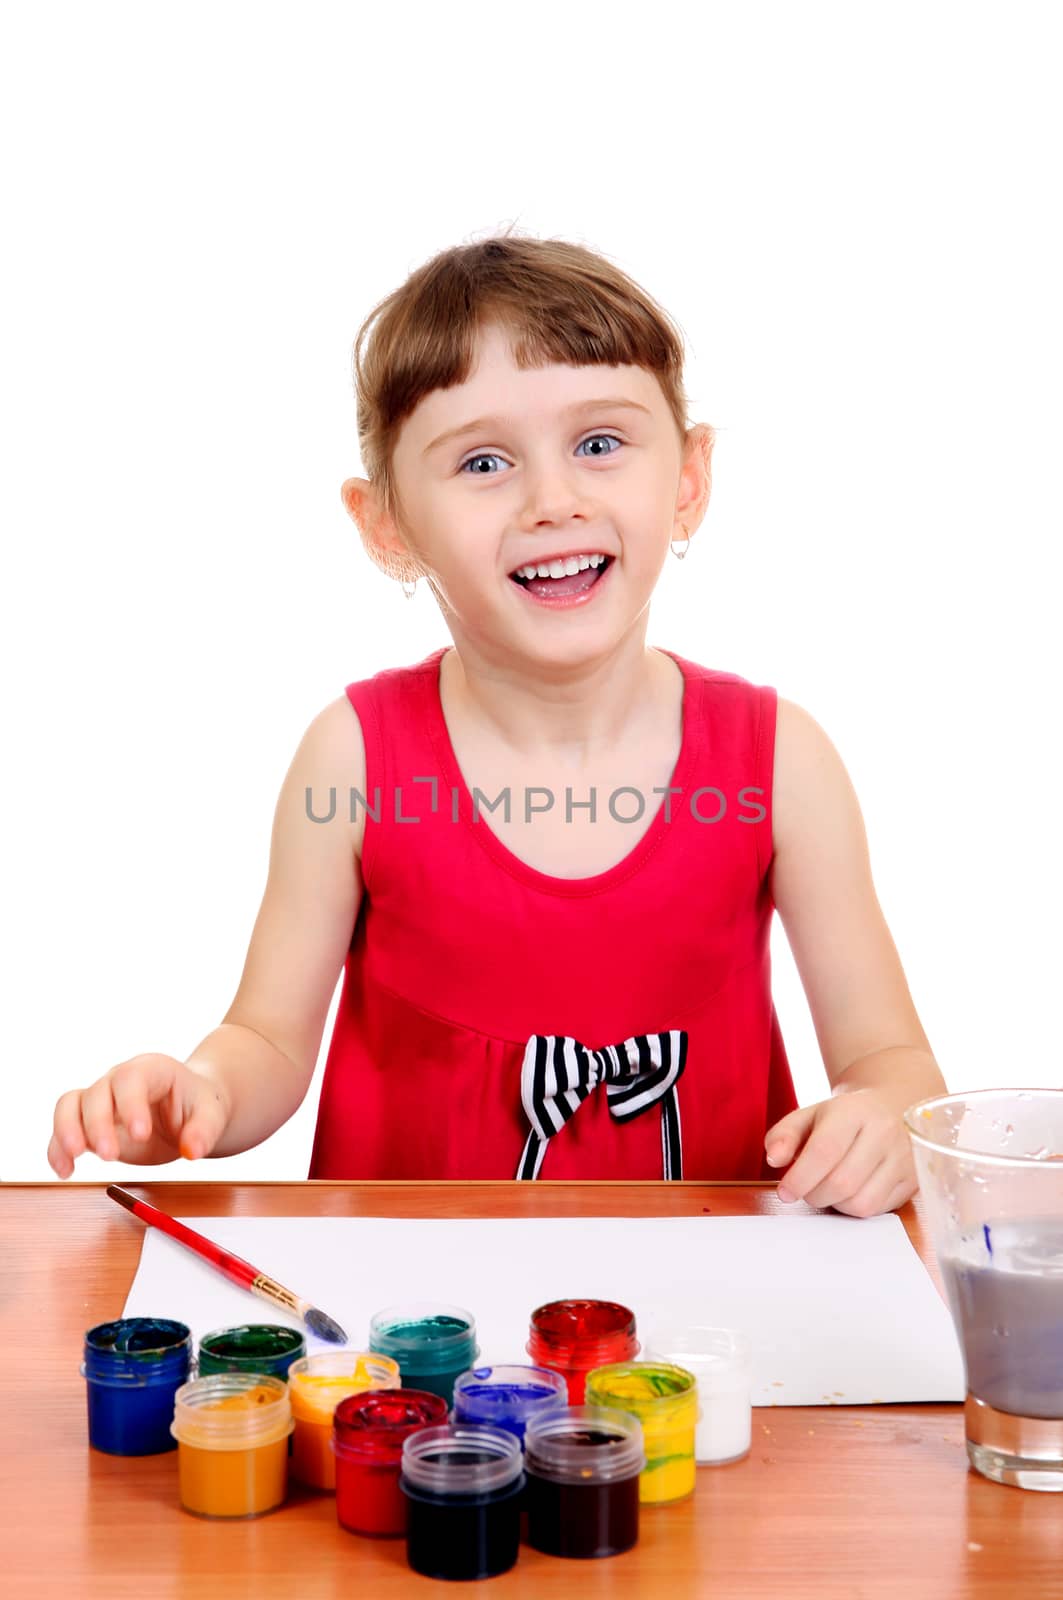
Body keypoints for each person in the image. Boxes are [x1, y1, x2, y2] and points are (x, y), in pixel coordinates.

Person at [47, 231, 947, 1214]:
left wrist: (882, 1120)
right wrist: (200, 1093)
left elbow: (893, 1062)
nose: (552, 501)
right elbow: (265, 1040)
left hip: (705, 1340)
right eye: (483, 461)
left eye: (599, 444)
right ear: (386, 524)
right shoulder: (351, 757)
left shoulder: (782, 762)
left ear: (686, 480)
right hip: (416, 1331)